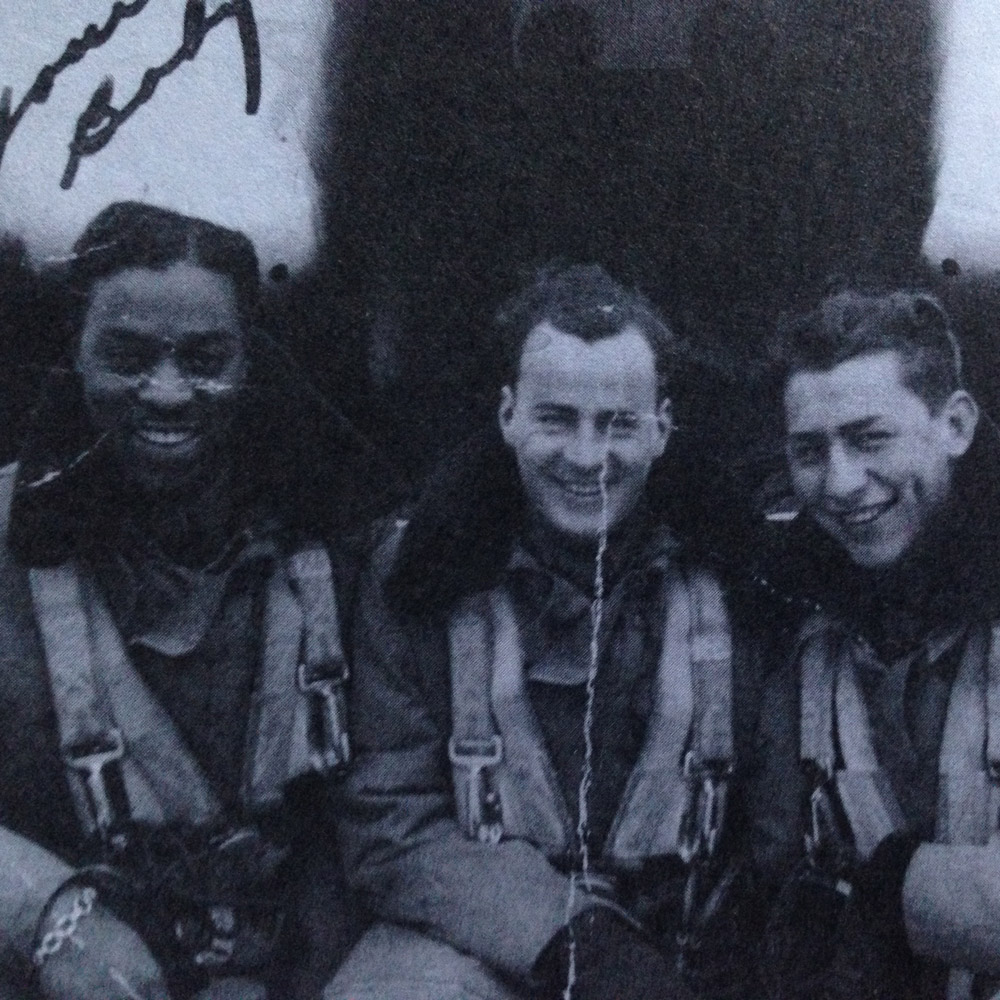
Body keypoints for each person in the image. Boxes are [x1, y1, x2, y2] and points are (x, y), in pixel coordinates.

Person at [326, 264, 763, 1000]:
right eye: (556, 419)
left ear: (662, 429)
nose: (588, 457)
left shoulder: (739, 577)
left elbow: (775, 830)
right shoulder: (418, 580)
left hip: (685, 951)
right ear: (508, 418)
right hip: (482, 940)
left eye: (619, 424)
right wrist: (569, 936)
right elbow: (391, 827)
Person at [0, 202, 378, 1000]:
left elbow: (393, 801)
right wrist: (46, 914)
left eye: (206, 358)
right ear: (72, 357)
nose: (168, 394)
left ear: (253, 362)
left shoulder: (341, 543)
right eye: (128, 358)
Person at [753, 289, 1000, 999]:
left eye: (870, 439)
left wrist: (888, 892)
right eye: (810, 451)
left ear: (954, 424)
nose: (840, 483)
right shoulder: (786, 613)